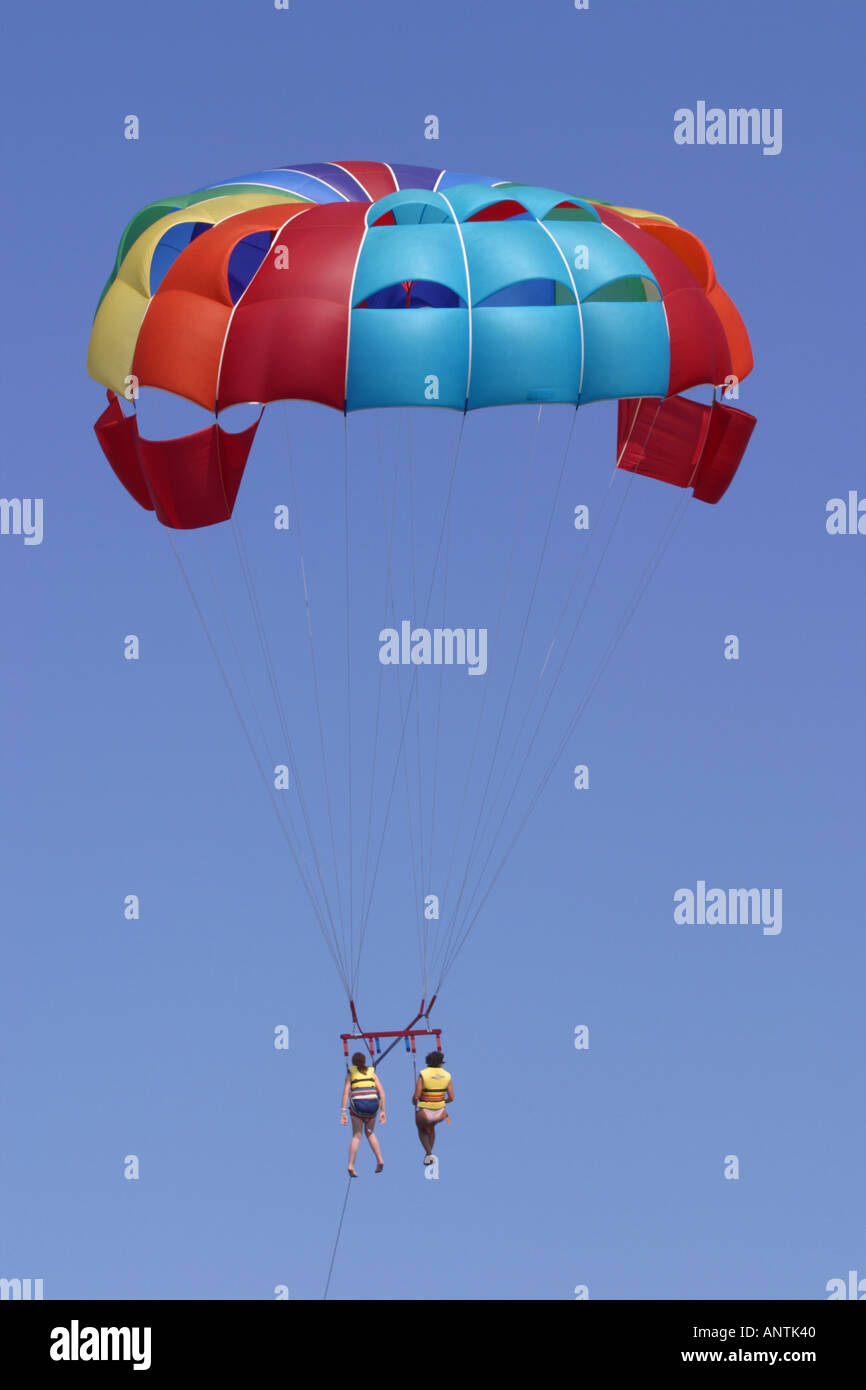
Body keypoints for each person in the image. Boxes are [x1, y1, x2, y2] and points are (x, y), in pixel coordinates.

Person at [341, 1052, 386, 1176]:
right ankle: (379, 1159)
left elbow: (346, 1093)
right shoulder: (372, 1073)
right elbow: (381, 1092)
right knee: (370, 1132)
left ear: (353, 1062)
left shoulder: (351, 1073)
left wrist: (343, 1112)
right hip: (373, 1105)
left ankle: (350, 1165)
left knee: (357, 1135)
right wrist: (383, 1111)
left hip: (358, 1106)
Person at [412, 1051, 453, 1164]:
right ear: (441, 1063)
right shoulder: (447, 1075)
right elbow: (451, 1097)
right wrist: (440, 1101)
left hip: (425, 1112)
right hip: (440, 1113)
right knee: (431, 1126)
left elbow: (417, 1095)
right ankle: (429, 1154)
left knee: (421, 1128)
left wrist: (414, 1101)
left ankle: (429, 1153)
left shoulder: (423, 1074)